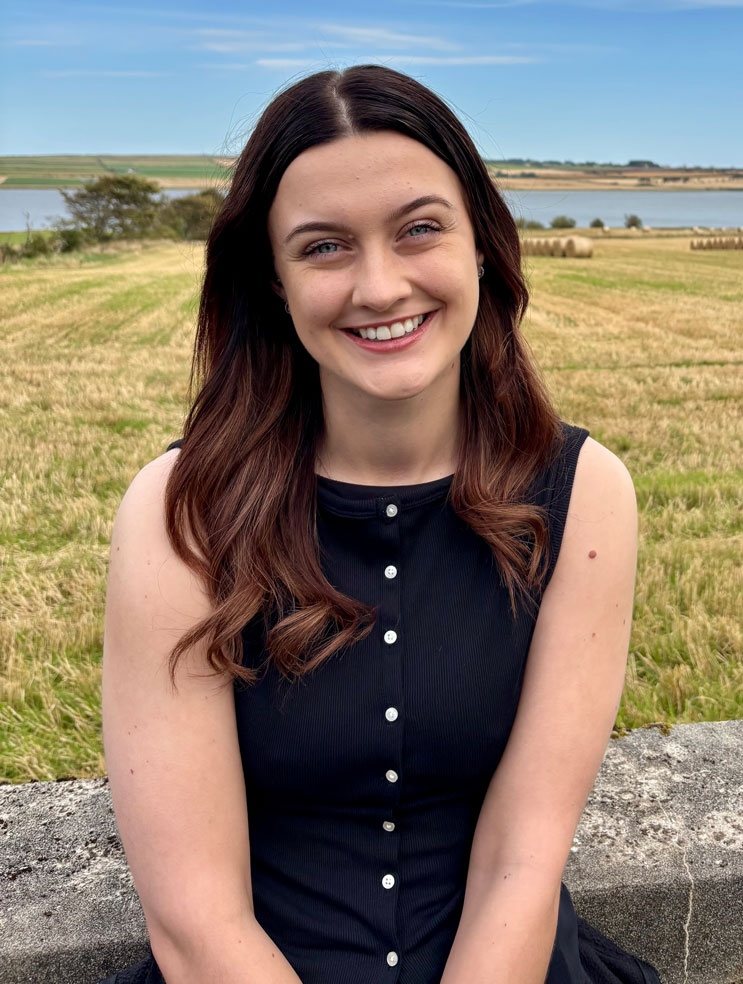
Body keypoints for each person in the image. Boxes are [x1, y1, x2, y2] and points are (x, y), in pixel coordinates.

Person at [99, 65, 663, 984]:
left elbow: (523, 855)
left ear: (480, 241)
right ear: (273, 281)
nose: (380, 285)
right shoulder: (179, 517)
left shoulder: (584, 494)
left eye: (419, 229)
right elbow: (197, 919)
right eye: (323, 248)